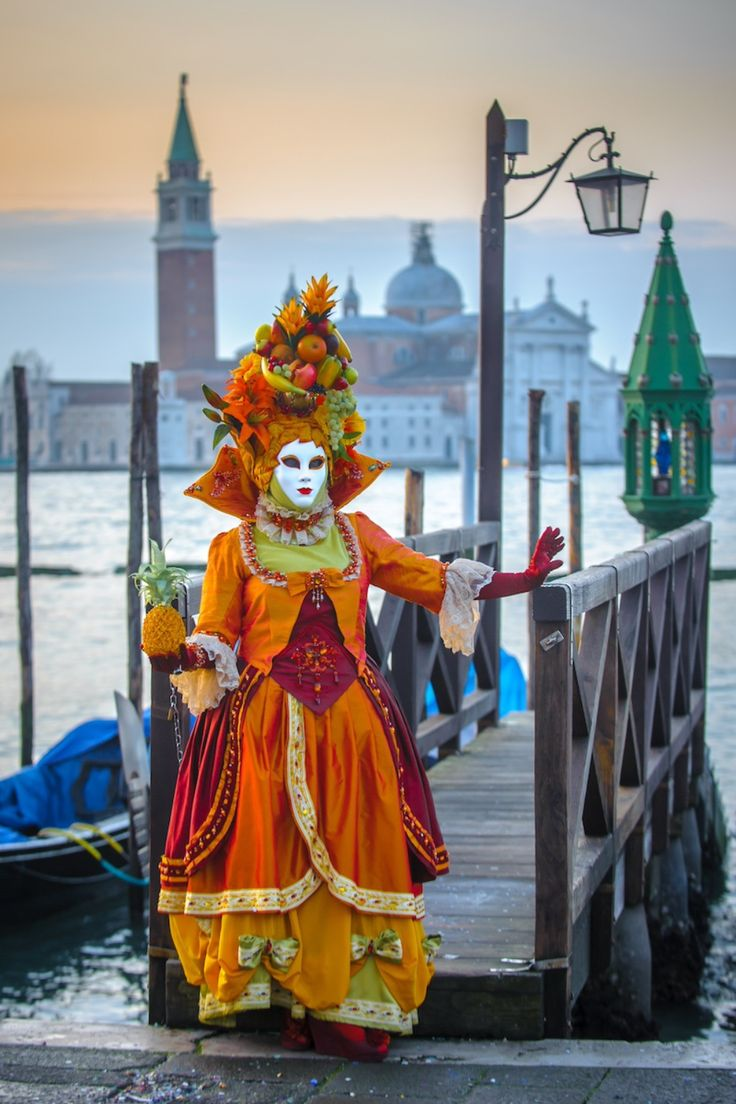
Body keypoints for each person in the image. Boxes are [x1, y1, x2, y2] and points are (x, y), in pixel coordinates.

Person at [147, 276, 564, 1061]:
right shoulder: (233, 548)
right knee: (276, 849)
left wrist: (524, 579)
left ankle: (346, 1004)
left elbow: (434, 580)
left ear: (331, 459)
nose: (305, 473)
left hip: (354, 730)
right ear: (262, 463)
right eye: (290, 460)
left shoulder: (358, 534)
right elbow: (215, 639)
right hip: (262, 731)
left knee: (354, 846)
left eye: (316, 459)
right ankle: (288, 995)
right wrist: (175, 650)